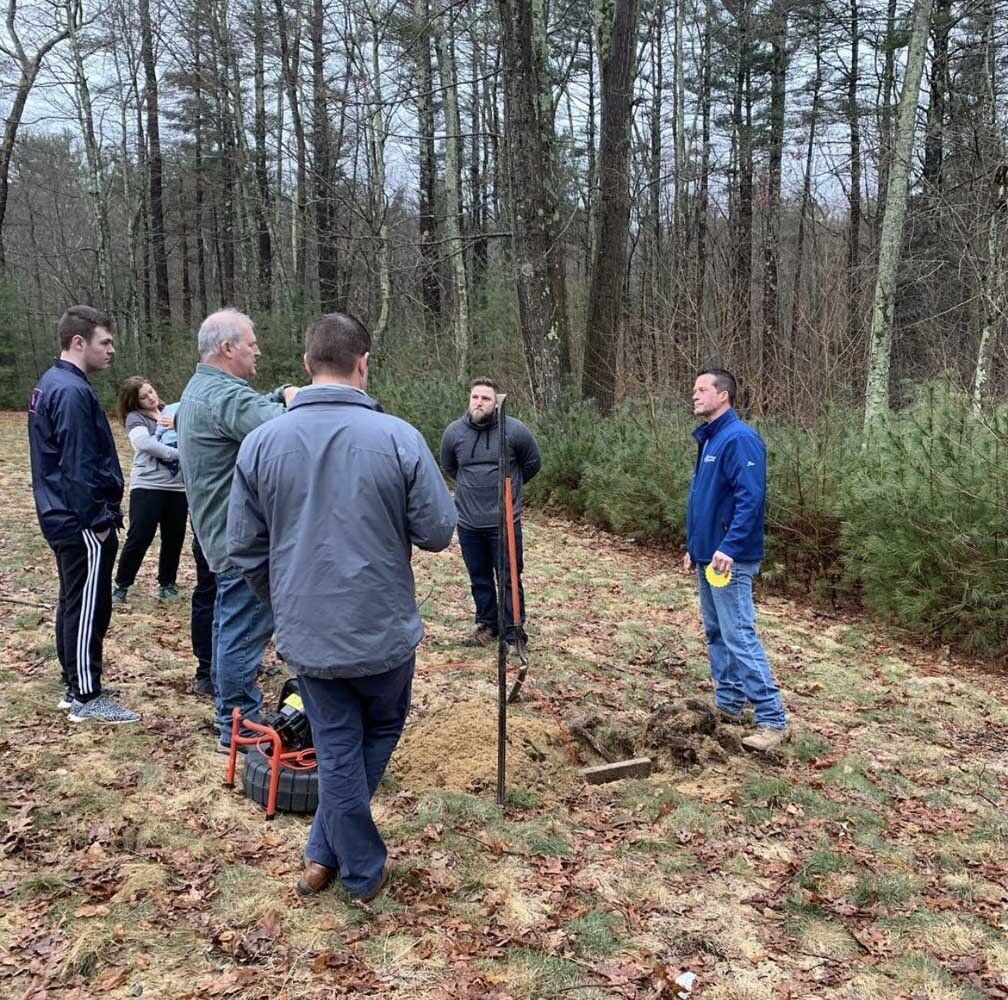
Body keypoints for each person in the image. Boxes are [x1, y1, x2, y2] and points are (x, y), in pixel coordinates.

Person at [228, 312, 456, 901]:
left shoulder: (261, 443)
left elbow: (242, 547)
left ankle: (320, 853)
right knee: (374, 730)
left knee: (337, 744)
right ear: (364, 364)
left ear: (307, 366)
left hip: (310, 632)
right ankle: (361, 869)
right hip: (381, 629)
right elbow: (437, 531)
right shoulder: (399, 437)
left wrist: (281, 604)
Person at [176, 308, 297, 750]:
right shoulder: (221, 397)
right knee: (242, 629)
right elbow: (282, 428)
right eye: (251, 343)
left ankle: (232, 706)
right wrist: (316, 400)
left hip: (223, 533)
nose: (258, 350)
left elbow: (247, 409)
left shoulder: (208, 390)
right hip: (241, 540)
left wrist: (279, 391)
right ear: (227, 349)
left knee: (231, 624)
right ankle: (237, 724)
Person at [27, 305, 140, 724]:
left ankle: (75, 680)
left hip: (62, 513)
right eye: (104, 342)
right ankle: (85, 696)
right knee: (89, 603)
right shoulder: (71, 391)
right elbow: (77, 463)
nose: (111, 350)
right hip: (80, 519)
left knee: (75, 598)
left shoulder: (52, 384)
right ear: (79, 342)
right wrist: (99, 518)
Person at [683, 369, 788, 752]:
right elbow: (706, 500)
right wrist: (695, 548)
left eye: (701, 389)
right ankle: (728, 704)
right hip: (710, 555)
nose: (694, 395)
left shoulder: (739, 438)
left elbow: (750, 498)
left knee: (738, 634)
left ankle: (772, 719)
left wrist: (728, 547)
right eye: (694, 389)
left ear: (723, 395)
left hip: (730, 558)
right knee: (716, 632)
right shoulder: (711, 438)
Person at [439, 378, 541, 648]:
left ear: (496, 403)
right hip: (469, 522)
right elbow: (450, 467)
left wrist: (513, 491)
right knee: (479, 576)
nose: (479, 402)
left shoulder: (514, 430)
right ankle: (487, 625)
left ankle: (513, 631)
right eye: (475, 397)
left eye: (485, 398)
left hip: (505, 521)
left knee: (509, 576)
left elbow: (532, 463)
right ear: (469, 399)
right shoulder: (454, 433)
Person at [158, 400, 217, 697]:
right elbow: (167, 443)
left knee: (236, 597)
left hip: (228, 517)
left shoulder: (236, 401)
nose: (255, 350)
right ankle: (206, 669)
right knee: (210, 590)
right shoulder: (191, 406)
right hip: (210, 517)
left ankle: (228, 664)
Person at [111, 377, 188, 604]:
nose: (151, 398)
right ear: (134, 401)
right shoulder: (136, 418)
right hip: (148, 485)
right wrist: (177, 454)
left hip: (178, 486)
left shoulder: (172, 412)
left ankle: (167, 583)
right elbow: (144, 444)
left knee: (174, 536)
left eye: (151, 391)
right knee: (140, 535)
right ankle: (122, 585)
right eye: (144, 396)